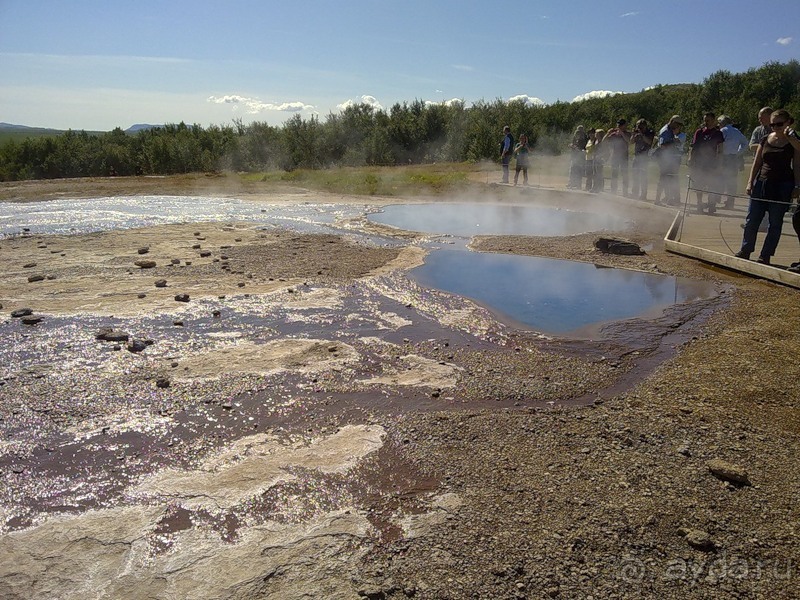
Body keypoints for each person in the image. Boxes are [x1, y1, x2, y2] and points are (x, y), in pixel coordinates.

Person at [735, 109, 800, 266]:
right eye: (772, 124)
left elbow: (797, 165)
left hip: (783, 185)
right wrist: (750, 182)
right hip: (762, 183)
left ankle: (765, 255)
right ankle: (746, 249)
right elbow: (757, 162)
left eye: (779, 124)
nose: (775, 127)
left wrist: (797, 185)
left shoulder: (794, 142)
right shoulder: (765, 139)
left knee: (775, 223)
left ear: (788, 123)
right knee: (752, 219)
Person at [688, 112, 724, 214]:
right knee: (699, 184)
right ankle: (699, 204)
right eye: (704, 120)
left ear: (713, 120)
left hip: (711, 163)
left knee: (712, 184)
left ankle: (711, 204)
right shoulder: (699, 132)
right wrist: (690, 158)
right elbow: (693, 147)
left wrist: (720, 164)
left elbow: (721, 150)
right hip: (699, 163)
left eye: (708, 120)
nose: (706, 122)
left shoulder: (718, 133)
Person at [717, 115, 749, 209]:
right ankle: (730, 202)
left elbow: (719, 143)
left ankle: (716, 198)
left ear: (722, 123)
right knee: (732, 181)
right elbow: (745, 143)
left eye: (719, 123)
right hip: (734, 157)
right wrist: (738, 152)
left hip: (724, 157)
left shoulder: (723, 131)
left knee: (720, 178)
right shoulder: (736, 131)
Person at [654, 115, 685, 206]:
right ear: (673, 122)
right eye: (678, 124)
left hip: (668, 158)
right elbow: (662, 145)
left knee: (669, 178)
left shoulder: (670, 130)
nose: (679, 127)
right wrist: (674, 142)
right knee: (663, 178)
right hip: (664, 158)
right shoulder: (666, 131)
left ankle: (669, 198)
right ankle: (657, 199)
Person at [603, 119, 631, 195]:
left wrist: (622, 133)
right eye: (618, 125)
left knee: (624, 174)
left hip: (624, 157)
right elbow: (604, 141)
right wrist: (608, 133)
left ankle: (625, 191)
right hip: (615, 157)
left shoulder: (628, 133)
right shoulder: (614, 134)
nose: (619, 126)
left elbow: (629, 141)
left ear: (625, 125)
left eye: (621, 125)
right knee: (614, 174)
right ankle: (613, 190)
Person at [630, 119, 655, 201]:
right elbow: (631, 142)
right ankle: (635, 193)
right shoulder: (636, 132)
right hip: (636, 156)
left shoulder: (650, 132)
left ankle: (643, 194)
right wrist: (634, 135)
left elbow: (649, 142)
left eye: (640, 126)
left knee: (643, 177)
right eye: (637, 126)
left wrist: (641, 134)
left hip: (644, 157)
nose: (639, 127)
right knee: (635, 176)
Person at [584, 128, 605, 193]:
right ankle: (595, 187)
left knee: (599, 174)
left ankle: (599, 187)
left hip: (599, 159)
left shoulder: (602, 142)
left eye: (596, 133)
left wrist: (601, 156)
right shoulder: (596, 141)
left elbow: (606, 151)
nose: (595, 134)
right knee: (595, 174)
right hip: (594, 158)